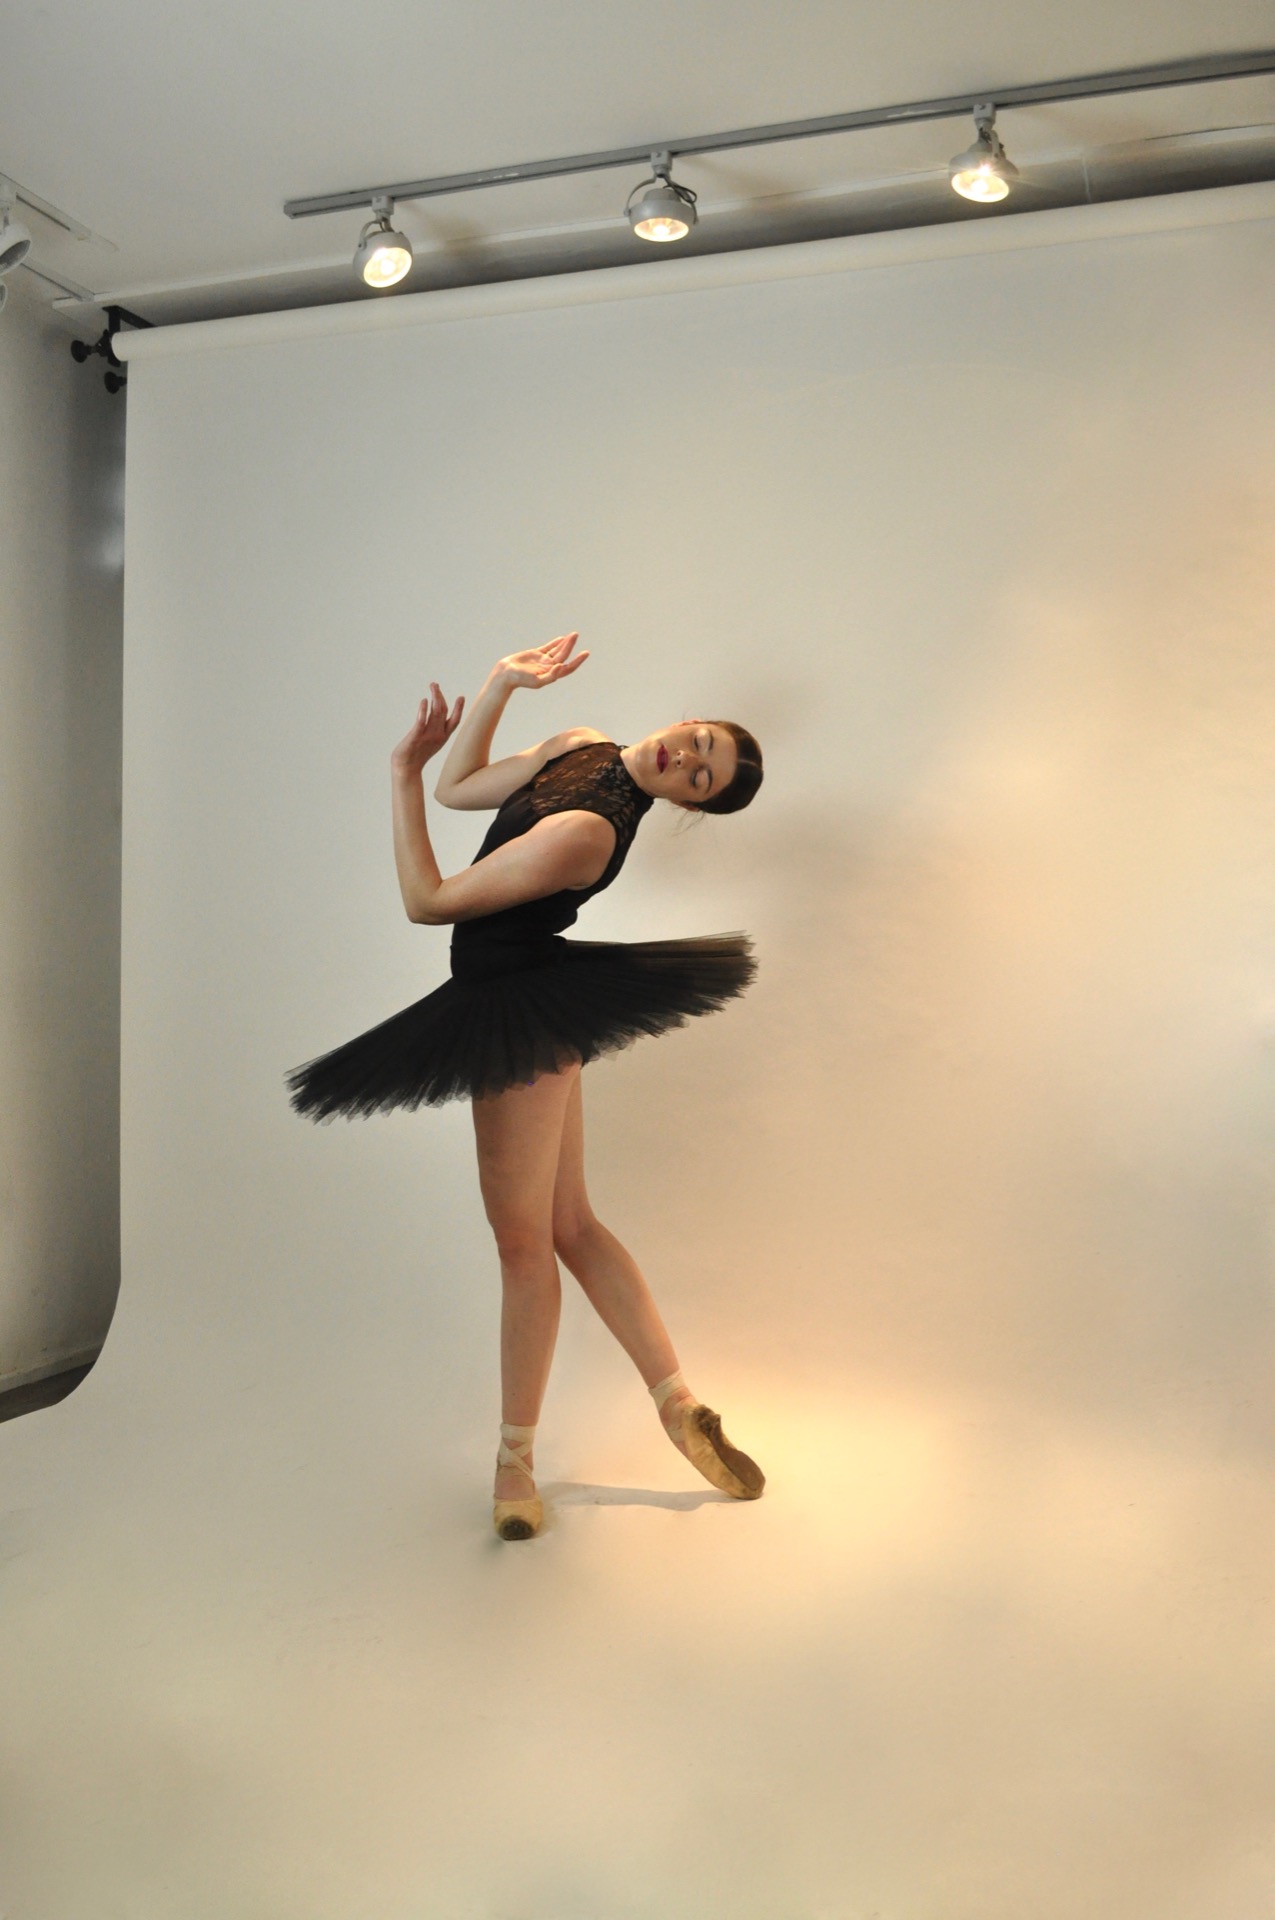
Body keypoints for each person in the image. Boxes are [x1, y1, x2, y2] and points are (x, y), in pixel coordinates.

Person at [287, 632, 766, 1540]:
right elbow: (461, 788)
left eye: (701, 779)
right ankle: (678, 1406)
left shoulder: (589, 833)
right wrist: (501, 684)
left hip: (518, 1010)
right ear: (688, 722)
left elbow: (428, 901)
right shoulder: (581, 744)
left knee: (523, 1246)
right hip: (529, 1000)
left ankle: (514, 1461)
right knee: (569, 1225)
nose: (687, 759)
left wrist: (397, 774)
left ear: (687, 805)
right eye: (700, 741)